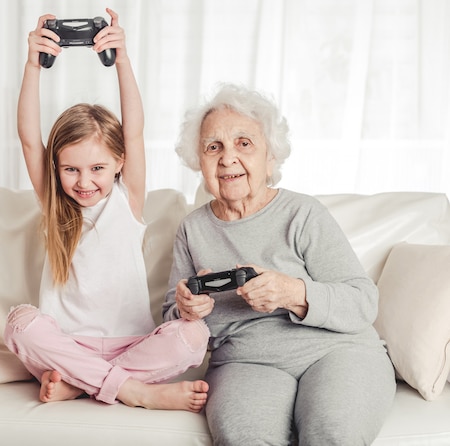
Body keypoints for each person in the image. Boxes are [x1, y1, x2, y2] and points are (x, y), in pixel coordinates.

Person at [163, 83, 396, 444]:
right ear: (199, 161)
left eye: (244, 143)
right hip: (245, 363)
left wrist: (293, 293)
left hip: (337, 352)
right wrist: (186, 311)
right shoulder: (192, 230)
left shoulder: (302, 213)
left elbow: (363, 301)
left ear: (270, 157)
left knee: (331, 433)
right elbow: (169, 320)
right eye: (214, 147)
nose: (227, 159)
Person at [3, 9, 210, 413]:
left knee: (194, 336)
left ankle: (83, 384)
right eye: (70, 169)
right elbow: (30, 140)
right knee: (20, 324)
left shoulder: (126, 198)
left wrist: (123, 60)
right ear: (56, 169)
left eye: (97, 168)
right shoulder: (55, 204)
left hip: (129, 344)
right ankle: (134, 390)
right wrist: (32, 65)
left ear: (119, 163)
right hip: (66, 346)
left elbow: (133, 129)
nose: (84, 181)